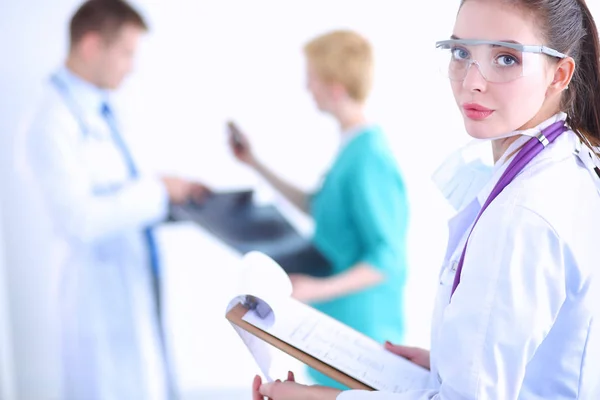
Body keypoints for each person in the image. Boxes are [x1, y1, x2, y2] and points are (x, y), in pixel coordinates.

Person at [251, 0, 600, 398]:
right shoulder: (564, 166)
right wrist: (449, 366)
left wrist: (317, 398)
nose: (472, 80)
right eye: (461, 52)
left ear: (560, 74)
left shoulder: (522, 214)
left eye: (506, 58)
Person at [26, 1, 209, 398]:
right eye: (126, 53)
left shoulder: (105, 110)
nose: (132, 66)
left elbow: (124, 193)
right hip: (98, 297)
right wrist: (157, 192)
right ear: (92, 45)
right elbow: (78, 219)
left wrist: (170, 193)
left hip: (135, 284)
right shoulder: (51, 121)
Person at [229, 30, 410, 389]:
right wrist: (254, 163)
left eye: (311, 78)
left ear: (335, 86)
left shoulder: (369, 157)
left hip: (363, 330)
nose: (306, 87)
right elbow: (319, 207)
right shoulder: (350, 149)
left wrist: (315, 288)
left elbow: (387, 259)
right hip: (335, 327)